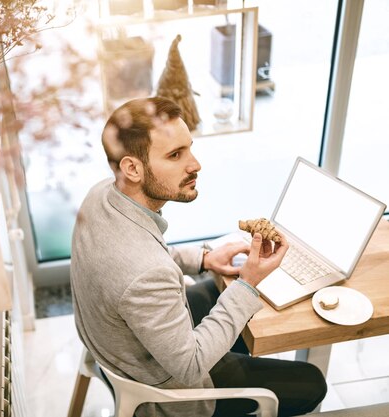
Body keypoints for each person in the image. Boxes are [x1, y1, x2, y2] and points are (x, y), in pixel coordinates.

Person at [70, 97, 327, 417]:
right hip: (171, 392)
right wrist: (248, 283)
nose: (195, 164)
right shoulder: (145, 274)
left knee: (221, 294)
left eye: (189, 148)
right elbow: (190, 366)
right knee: (312, 383)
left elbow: (142, 257)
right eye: (175, 155)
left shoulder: (100, 195)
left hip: (117, 343)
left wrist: (205, 259)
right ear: (132, 168)